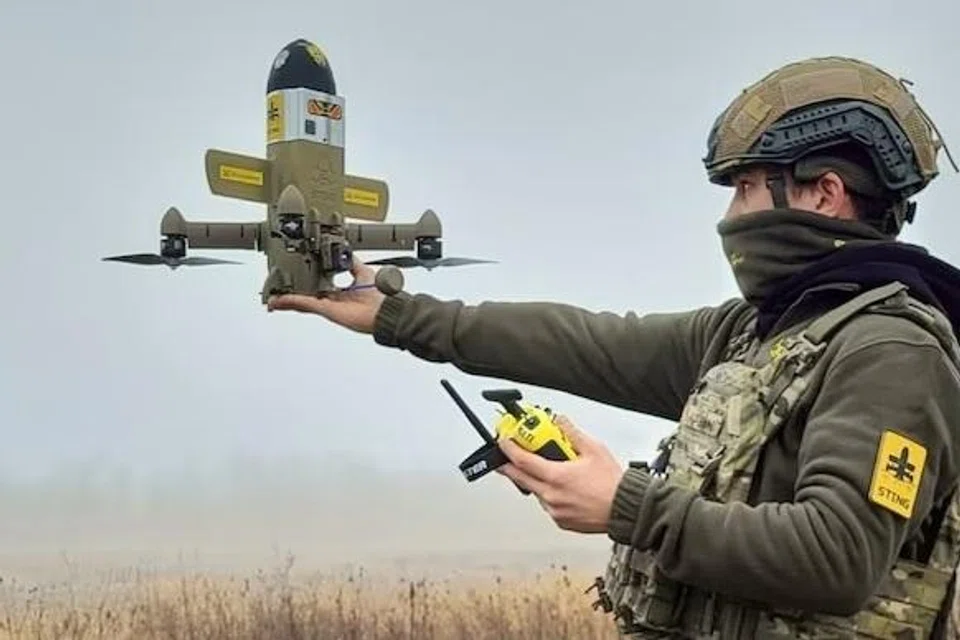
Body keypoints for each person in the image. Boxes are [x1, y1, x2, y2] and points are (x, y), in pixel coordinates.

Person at [268, 56, 960, 638]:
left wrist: (627, 506)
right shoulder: (752, 333)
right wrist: (397, 314)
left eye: (747, 188)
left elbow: (838, 558)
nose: (731, 215)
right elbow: (587, 342)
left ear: (826, 194)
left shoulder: (892, 352)